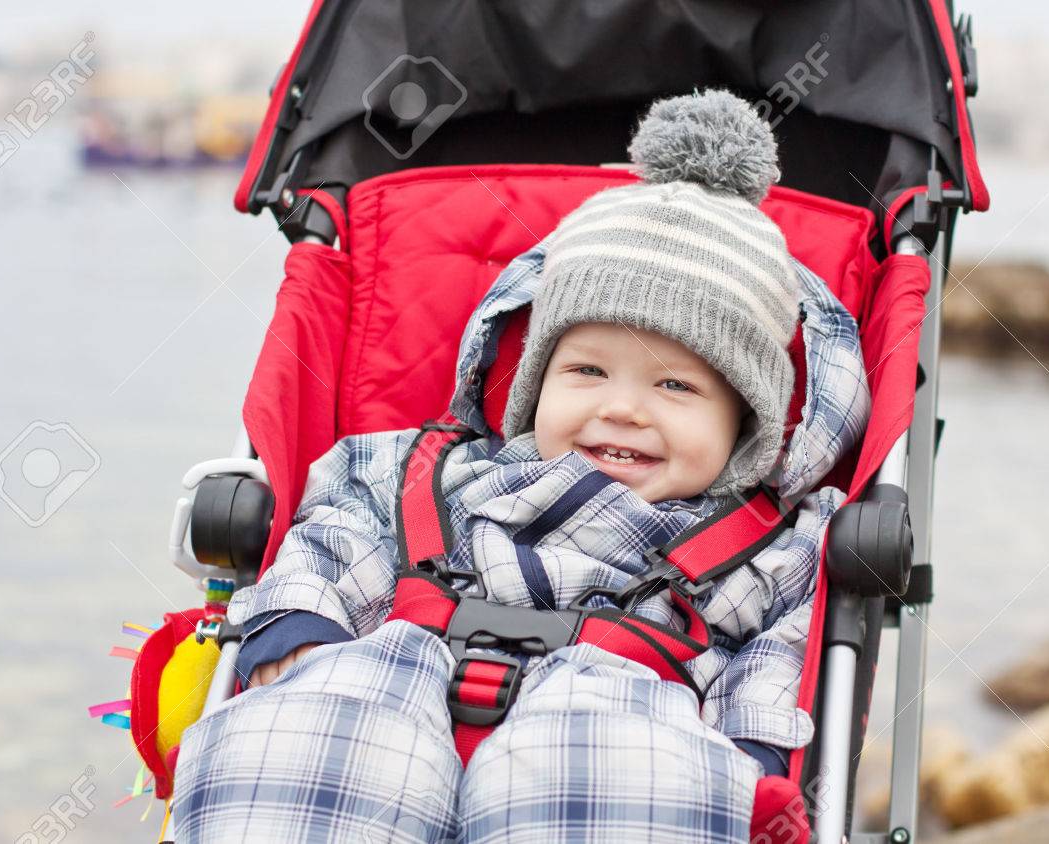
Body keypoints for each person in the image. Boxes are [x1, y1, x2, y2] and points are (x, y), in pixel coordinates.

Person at [172, 89, 870, 843]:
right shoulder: (429, 474)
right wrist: (302, 626)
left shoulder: (763, 544)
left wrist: (752, 752)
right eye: (587, 372)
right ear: (531, 382)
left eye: (675, 386)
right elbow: (336, 529)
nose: (624, 408)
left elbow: (777, 658)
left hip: (617, 715)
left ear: (747, 426)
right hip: (395, 674)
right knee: (309, 744)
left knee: (627, 780)